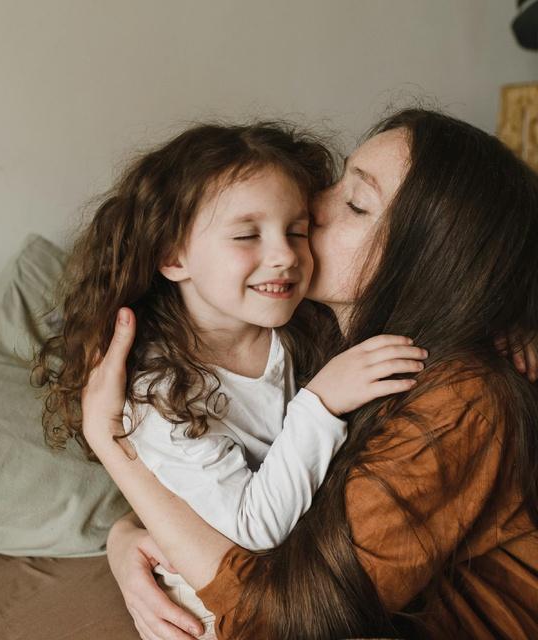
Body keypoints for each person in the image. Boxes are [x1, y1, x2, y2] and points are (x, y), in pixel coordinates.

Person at [82, 108, 538, 640]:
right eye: (338, 179)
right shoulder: (315, 332)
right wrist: (126, 535)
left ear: (429, 261)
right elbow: (221, 472)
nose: (312, 203)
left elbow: (282, 623)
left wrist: (113, 445)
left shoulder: (457, 398)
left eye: (356, 203)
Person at [33, 121, 427, 635]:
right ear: (174, 256)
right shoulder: (159, 389)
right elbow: (253, 528)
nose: (285, 255)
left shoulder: (295, 321)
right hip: (212, 607)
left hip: (302, 566)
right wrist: (321, 403)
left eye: (297, 230)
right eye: (247, 235)